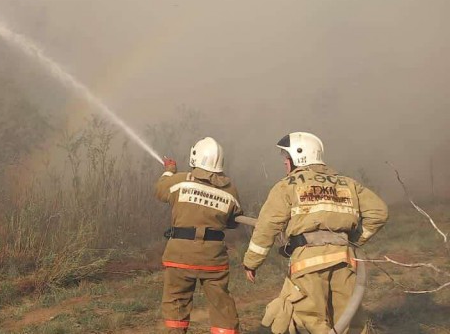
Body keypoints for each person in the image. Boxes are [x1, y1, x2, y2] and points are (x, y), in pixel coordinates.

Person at [243, 132, 388, 334]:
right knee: (348, 321)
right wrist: (355, 241)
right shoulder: (347, 183)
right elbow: (379, 212)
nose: (285, 164)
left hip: (308, 262)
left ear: (298, 157)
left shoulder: (288, 185)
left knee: (308, 319)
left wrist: (251, 262)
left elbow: (267, 226)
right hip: (345, 260)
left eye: (287, 158)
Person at [155, 137, 243, 334]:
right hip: (213, 259)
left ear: (195, 157)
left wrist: (169, 170)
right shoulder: (231, 190)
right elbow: (234, 221)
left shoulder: (180, 181)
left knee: (176, 303)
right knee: (222, 305)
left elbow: (160, 190)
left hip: (180, 256)